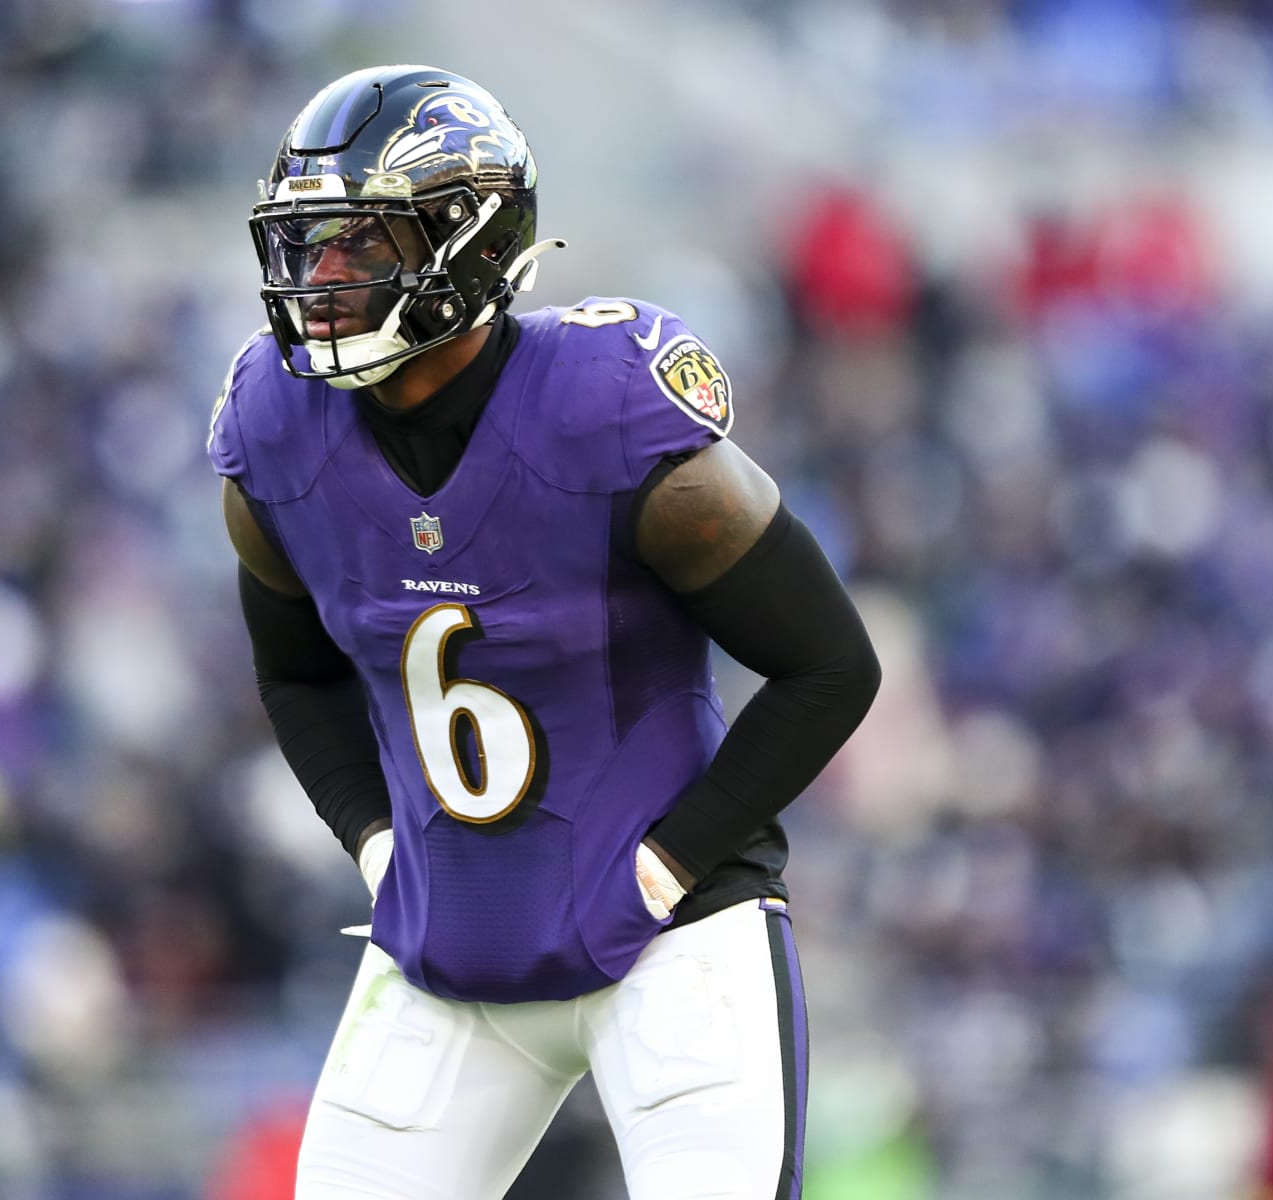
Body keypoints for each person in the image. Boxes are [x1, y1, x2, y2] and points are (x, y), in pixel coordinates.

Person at [207, 64, 882, 1199]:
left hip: (668, 942)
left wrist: (667, 867)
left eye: (358, 245)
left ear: (465, 243)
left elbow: (830, 666)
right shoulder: (277, 432)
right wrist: (379, 847)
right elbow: (293, 680)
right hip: (446, 950)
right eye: (306, 244)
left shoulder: (600, 410)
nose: (318, 279)